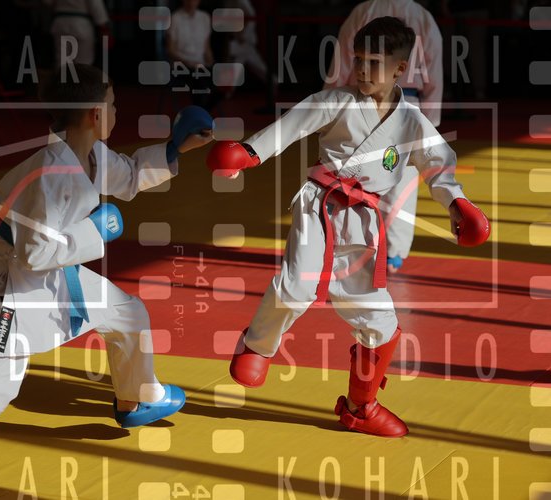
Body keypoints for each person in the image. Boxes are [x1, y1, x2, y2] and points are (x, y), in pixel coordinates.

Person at [0, 64, 214, 498]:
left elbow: (130, 173)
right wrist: (95, 231)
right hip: (9, 289)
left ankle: (137, 398)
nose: (116, 111)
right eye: (112, 104)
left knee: (127, 312)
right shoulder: (50, 175)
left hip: (49, 276)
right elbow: (34, 253)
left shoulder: (90, 155)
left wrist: (176, 148)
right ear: (94, 114)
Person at [207, 17, 489, 438]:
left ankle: (361, 407)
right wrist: (250, 152)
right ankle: (257, 345)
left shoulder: (411, 120)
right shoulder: (337, 101)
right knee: (297, 285)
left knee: (381, 322)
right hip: (319, 206)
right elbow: (292, 125)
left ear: (399, 69)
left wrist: (457, 203)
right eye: (357, 59)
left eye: (373, 62)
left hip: (364, 224)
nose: (361, 69)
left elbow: (439, 164)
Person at [325, 0, 443, 272]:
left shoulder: (363, 11)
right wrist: (430, 125)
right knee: (400, 180)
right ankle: (393, 253)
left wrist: (329, 107)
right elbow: (434, 73)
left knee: (352, 176)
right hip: (405, 104)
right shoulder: (422, 17)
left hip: (362, 102)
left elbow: (341, 65)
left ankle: (348, 246)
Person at [166, 0, 222, 110]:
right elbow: (170, 50)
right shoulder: (175, 18)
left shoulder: (205, 18)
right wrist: (188, 62)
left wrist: (212, 63)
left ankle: (201, 109)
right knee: (199, 78)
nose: (191, 2)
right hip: (181, 64)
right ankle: (200, 109)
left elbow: (207, 48)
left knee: (217, 76)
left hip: (201, 63)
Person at [43, 0, 111, 67]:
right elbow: (96, 6)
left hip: (62, 23)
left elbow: (47, 2)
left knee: (62, 61)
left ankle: (62, 73)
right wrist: (103, 27)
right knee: (83, 63)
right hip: (82, 25)